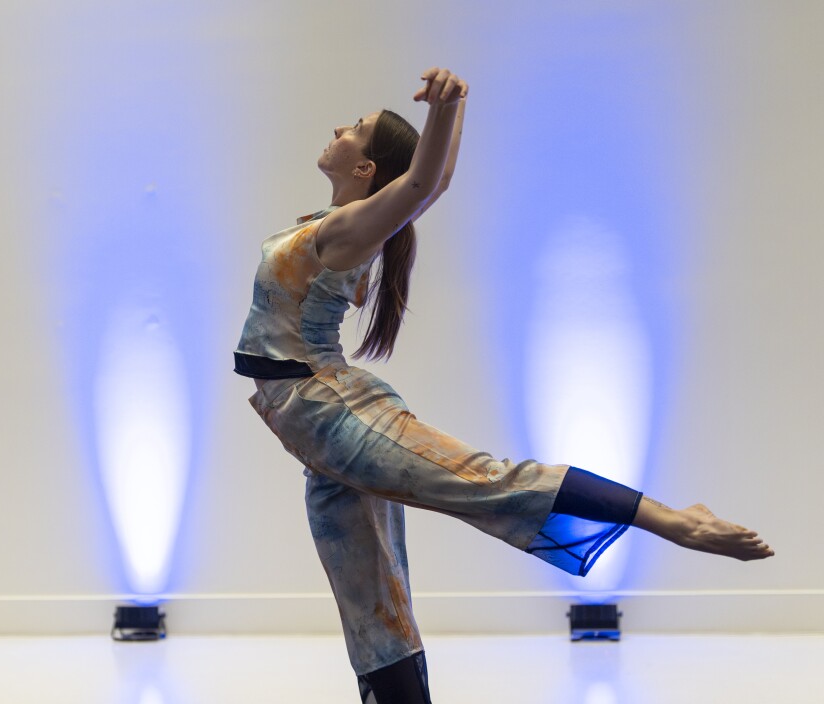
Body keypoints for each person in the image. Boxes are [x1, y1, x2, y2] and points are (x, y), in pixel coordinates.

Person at [233, 67, 774, 704]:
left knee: (486, 481)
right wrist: (454, 110)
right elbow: (428, 183)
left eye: (354, 131)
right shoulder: (340, 220)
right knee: (371, 602)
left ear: (366, 171)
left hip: (333, 416)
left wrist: (445, 112)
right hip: (311, 428)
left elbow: (426, 184)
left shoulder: (348, 233)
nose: (338, 130)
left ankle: (677, 521)